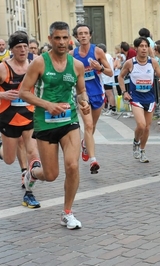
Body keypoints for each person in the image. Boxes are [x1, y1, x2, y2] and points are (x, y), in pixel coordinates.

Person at [19, 21, 91, 229]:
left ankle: (67, 213)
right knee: (50, 175)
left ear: (70, 39)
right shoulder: (40, 63)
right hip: (45, 123)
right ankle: (32, 173)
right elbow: (24, 92)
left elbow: (80, 91)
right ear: (50, 39)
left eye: (64, 38)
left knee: (73, 165)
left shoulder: (76, 65)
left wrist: (84, 103)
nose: (61, 42)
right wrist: (47, 105)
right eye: (57, 38)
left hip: (69, 121)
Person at [0, 31, 43, 208]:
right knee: (9, 159)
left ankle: (29, 193)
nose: (23, 50)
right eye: (19, 47)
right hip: (7, 117)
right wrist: (3, 94)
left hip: (29, 115)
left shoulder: (33, 66)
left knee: (33, 153)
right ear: (12, 49)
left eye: (25, 46)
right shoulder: (3, 68)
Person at [72, 24, 113, 173]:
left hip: (97, 93)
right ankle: (93, 160)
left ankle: (85, 144)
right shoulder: (72, 54)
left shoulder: (97, 51)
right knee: (88, 125)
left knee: (93, 126)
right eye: (80, 33)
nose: (83, 35)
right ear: (76, 37)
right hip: (83, 95)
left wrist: (99, 68)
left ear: (90, 35)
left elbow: (110, 72)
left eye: (85, 33)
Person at [118, 37, 160, 163]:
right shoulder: (130, 63)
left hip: (150, 98)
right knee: (141, 124)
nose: (144, 49)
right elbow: (120, 77)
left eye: (146, 46)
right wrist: (124, 92)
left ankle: (143, 151)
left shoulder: (153, 62)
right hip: (136, 98)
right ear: (136, 48)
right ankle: (135, 142)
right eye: (141, 46)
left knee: (147, 128)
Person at [96, 43, 116, 116]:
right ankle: (110, 107)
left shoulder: (105, 56)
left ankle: (112, 108)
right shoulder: (109, 56)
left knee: (109, 93)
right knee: (109, 93)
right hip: (107, 77)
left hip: (106, 77)